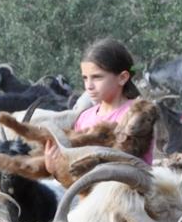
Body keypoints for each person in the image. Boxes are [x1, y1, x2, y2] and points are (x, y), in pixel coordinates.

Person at [43, 38, 153, 170]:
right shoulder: (84, 118)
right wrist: (53, 167)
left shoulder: (137, 114)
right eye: (85, 78)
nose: (89, 86)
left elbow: (125, 164)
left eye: (97, 77)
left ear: (122, 78)